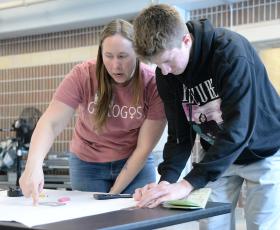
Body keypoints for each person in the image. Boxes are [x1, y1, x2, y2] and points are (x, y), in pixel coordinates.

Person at [132, 4, 280, 230]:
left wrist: (188, 182)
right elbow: (179, 134)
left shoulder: (231, 53)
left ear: (186, 40)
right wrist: (166, 183)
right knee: (211, 225)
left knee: (261, 226)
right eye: (158, 64)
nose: (166, 71)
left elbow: (238, 129)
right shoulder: (166, 74)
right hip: (216, 154)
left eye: (168, 60)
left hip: (263, 151)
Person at [19, 19, 166, 205]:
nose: (115, 66)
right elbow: (51, 122)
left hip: (135, 163)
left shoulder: (152, 84)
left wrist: (113, 193)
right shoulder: (83, 75)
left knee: (135, 218)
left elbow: (144, 148)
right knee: (92, 221)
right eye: (109, 56)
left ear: (137, 53)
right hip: (88, 163)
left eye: (123, 56)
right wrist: (33, 165)